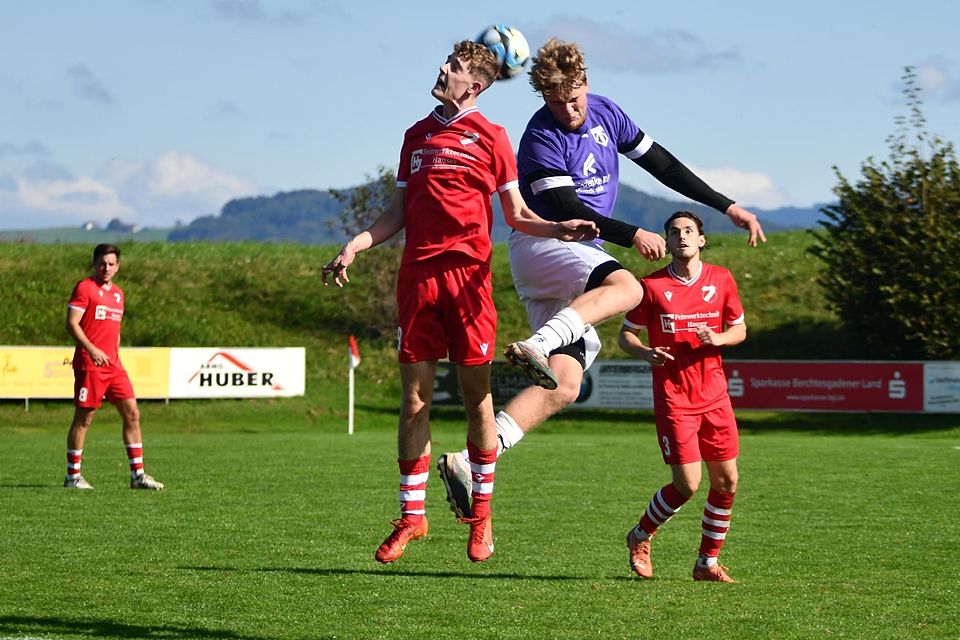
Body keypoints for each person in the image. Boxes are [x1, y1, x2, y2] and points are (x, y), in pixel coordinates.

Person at [437, 38, 763, 520]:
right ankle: (535, 345)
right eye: (555, 101)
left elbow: (664, 165)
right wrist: (632, 233)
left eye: (573, 98)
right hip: (547, 243)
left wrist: (726, 205)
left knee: (564, 385)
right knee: (629, 287)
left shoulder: (608, 113)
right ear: (542, 98)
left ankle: (472, 462)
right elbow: (566, 210)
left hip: (575, 254)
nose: (567, 109)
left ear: (586, 84)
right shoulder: (540, 136)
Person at [321, 40, 597, 565]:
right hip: (418, 280)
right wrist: (356, 244)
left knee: (477, 401)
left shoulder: (492, 136)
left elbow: (515, 214)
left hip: (469, 282)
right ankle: (411, 518)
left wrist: (559, 227)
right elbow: (397, 211)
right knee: (415, 402)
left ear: (473, 84)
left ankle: (481, 516)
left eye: (453, 67)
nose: (442, 69)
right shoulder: (415, 135)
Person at [619, 211, 746, 582]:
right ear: (668, 242)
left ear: (702, 239)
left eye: (689, 231)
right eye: (674, 232)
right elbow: (626, 335)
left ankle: (706, 563)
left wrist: (719, 339)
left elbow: (739, 328)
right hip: (675, 399)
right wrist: (645, 352)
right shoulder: (652, 286)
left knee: (727, 482)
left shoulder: (721, 279)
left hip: (716, 397)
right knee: (686, 485)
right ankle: (640, 534)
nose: (682, 237)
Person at [64, 243, 164, 491]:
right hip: (90, 364)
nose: (105, 268)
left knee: (132, 413)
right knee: (84, 418)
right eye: (101, 263)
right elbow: (72, 324)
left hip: (113, 366)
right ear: (94, 263)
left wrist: (113, 354)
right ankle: (73, 476)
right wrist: (92, 349)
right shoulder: (84, 288)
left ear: (117, 266)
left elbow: (114, 331)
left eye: (110, 264)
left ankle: (137, 475)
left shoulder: (118, 294)